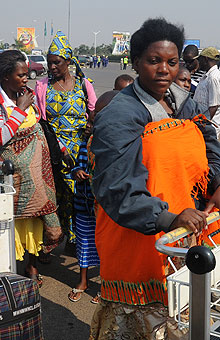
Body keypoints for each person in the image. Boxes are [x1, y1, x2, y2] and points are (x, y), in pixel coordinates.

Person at [89, 18, 220, 339]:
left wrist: (217, 184)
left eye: (172, 62)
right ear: (135, 63)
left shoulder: (181, 101)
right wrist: (170, 216)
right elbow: (115, 187)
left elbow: (208, 143)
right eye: (154, 61)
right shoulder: (119, 115)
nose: (164, 70)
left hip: (185, 233)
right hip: (138, 238)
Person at [0, 50, 62, 286]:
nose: (26, 79)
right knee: (16, 220)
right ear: (6, 76)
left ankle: (33, 265)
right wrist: (20, 108)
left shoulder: (25, 94)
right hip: (14, 174)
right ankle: (14, 271)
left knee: (38, 218)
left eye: (26, 74)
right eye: (21, 75)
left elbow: (36, 123)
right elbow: (1, 136)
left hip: (38, 171)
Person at [35, 30, 97, 258]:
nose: (51, 67)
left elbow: (94, 113)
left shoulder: (83, 84)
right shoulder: (42, 87)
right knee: (54, 196)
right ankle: (51, 241)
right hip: (54, 152)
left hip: (79, 153)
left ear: (68, 62)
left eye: (56, 62)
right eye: (49, 62)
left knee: (78, 196)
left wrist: (90, 129)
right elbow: (41, 119)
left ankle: (75, 241)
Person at [68, 90, 119, 304]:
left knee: (108, 247)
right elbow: (76, 166)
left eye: (100, 113)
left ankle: (106, 285)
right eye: (94, 113)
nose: (94, 117)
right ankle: (83, 280)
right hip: (84, 204)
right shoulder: (87, 142)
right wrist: (77, 172)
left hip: (107, 209)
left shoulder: (118, 144)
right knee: (84, 242)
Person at [193, 47, 220, 137]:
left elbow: (214, 105)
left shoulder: (213, 77)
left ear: (205, 59)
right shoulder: (207, 76)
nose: (199, 63)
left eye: (199, 60)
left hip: (209, 127)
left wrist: (204, 124)